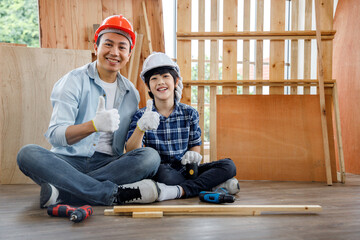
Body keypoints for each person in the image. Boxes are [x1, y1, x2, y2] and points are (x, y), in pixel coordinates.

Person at [16, 15, 162, 208]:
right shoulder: (73, 80)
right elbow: (55, 136)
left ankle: (66, 191)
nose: (114, 52)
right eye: (108, 44)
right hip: (67, 161)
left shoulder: (131, 94)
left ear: (129, 54)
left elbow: (131, 150)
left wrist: (140, 129)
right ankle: (107, 193)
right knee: (27, 154)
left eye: (122, 47)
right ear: (96, 47)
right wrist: (92, 126)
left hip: (109, 164)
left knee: (150, 157)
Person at [126, 52, 239, 201]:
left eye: (166, 76)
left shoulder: (189, 113)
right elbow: (131, 151)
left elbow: (195, 145)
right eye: (154, 79)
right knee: (166, 176)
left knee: (229, 166)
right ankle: (210, 185)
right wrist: (141, 127)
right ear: (148, 86)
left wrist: (193, 155)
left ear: (176, 81)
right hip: (161, 171)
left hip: (187, 169)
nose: (160, 82)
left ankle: (179, 191)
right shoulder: (141, 116)